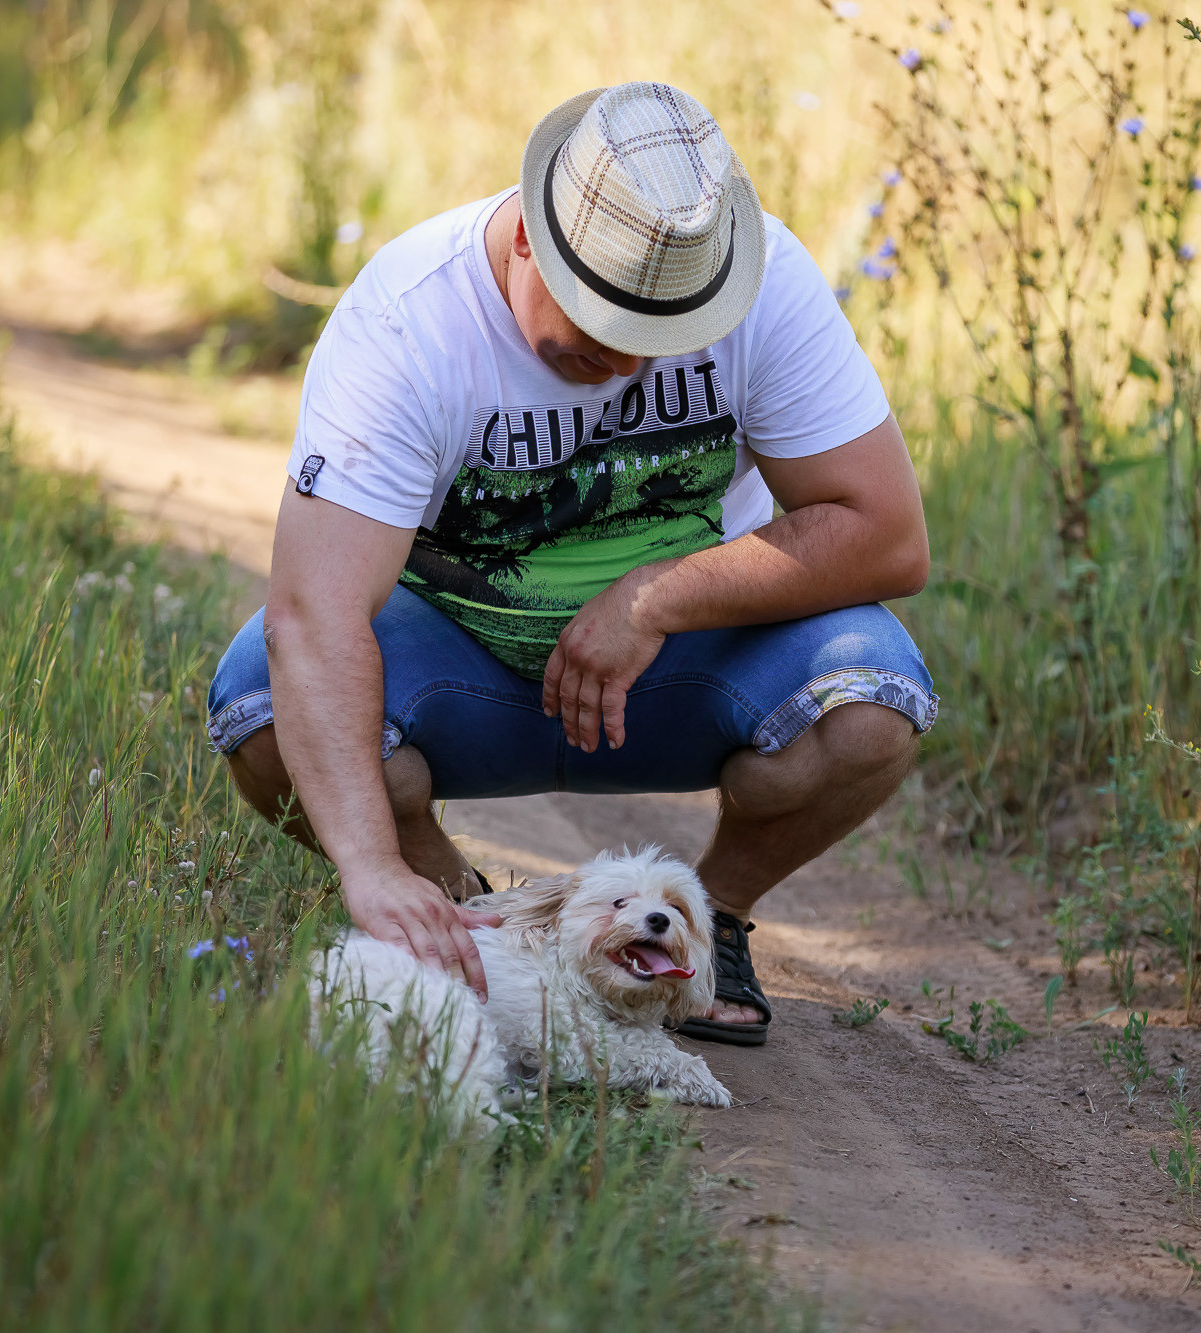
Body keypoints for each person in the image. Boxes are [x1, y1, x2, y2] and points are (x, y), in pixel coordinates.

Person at [206, 81, 935, 1046]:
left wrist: (654, 596)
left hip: (677, 669)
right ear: (525, 246)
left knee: (874, 693)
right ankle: (475, 929)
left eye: (662, 338)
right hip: (460, 661)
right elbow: (315, 613)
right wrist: (370, 866)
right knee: (260, 704)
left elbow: (889, 534)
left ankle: (703, 932)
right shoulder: (409, 322)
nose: (632, 366)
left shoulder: (768, 287)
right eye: (602, 333)